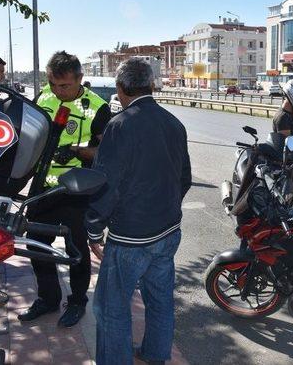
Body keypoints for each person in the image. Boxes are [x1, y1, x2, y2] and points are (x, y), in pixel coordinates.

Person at [86, 58, 191, 365]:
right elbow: (183, 177)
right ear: (152, 85)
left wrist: (94, 230)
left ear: (120, 89)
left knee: (111, 308)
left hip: (130, 238)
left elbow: (106, 186)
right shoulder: (174, 123)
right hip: (169, 230)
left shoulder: (120, 125)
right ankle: (156, 355)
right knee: (159, 300)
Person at [18, 51, 111, 327]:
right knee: (37, 247)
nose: (58, 91)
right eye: (54, 84)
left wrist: (75, 152)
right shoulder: (44, 97)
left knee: (76, 249)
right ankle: (48, 298)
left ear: (80, 79)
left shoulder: (96, 106)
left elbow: (105, 153)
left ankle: (77, 301)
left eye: (65, 86)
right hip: (44, 188)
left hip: (78, 191)